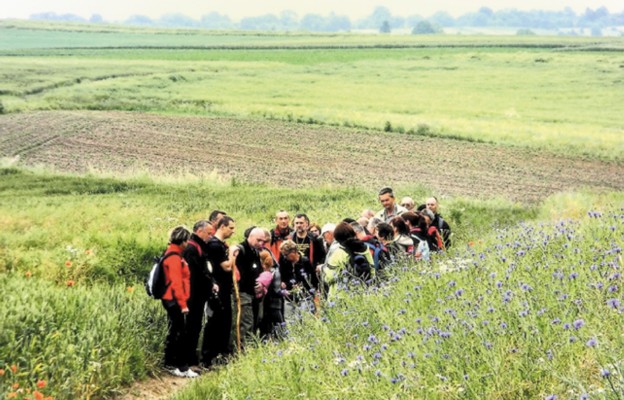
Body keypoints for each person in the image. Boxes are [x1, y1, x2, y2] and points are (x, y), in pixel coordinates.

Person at [161, 226, 198, 378]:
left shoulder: (171, 253)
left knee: (175, 332)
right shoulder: (174, 258)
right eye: (187, 240)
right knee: (179, 333)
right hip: (174, 300)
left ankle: (171, 364)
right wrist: (183, 305)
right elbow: (176, 283)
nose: (188, 243)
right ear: (182, 241)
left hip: (171, 299)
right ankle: (181, 367)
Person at [201, 216, 238, 368]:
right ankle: (209, 357)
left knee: (225, 322)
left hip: (224, 288)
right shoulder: (215, 245)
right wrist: (232, 253)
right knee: (216, 322)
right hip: (218, 289)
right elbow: (227, 266)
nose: (233, 231)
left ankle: (220, 354)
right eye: (231, 228)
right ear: (222, 227)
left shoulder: (220, 245)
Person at [182, 220, 218, 370]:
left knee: (196, 327)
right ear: (199, 231)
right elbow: (196, 274)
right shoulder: (192, 248)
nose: (211, 236)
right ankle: (189, 361)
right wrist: (210, 284)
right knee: (191, 327)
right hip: (193, 295)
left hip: (199, 294)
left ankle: (192, 360)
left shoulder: (200, 247)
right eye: (209, 233)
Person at [321, 222, 374, 299]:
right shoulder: (364, 248)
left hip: (341, 296)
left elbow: (329, 277)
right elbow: (372, 268)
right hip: (363, 293)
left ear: (336, 238)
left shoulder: (338, 253)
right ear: (353, 234)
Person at [234, 227, 266, 347]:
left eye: (263, 241)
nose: (261, 243)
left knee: (256, 321)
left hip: (255, 293)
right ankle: (244, 349)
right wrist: (253, 285)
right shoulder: (241, 251)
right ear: (250, 237)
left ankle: (251, 346)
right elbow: (240, 275)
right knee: (246, 322)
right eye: (259, 240)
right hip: (244, 292)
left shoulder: (256, 251)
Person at [257, 249, 285, 338]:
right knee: (278, 326)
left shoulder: (267, 273)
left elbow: (276, 291)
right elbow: (277, 290)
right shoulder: (275, 272)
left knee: (266, 328)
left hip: (268, 304)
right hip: (275, 304)